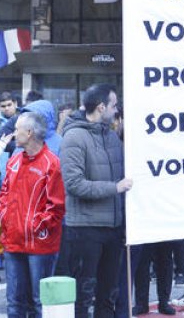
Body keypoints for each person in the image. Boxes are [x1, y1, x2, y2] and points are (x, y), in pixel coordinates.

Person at [60, 84, 133, 318]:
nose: (116, 110)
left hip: (112, 229)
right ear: (101, 107)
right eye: (113, 105)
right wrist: (115, 188)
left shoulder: (111, 136)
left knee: (108, 296)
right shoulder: (73, 137)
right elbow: (74, 184)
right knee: (84, 298)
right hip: (85, 230)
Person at [0, 111, 66, 318]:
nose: (13, 133)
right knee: (14, 302)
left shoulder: (51, 163)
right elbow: (4, 195)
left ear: (29, 133)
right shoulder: (14, 161)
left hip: (40, 244)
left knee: (39, 303)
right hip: (13, 241)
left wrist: (34, 226)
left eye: (17, 129)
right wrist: (6, 220)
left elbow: (56, 207)